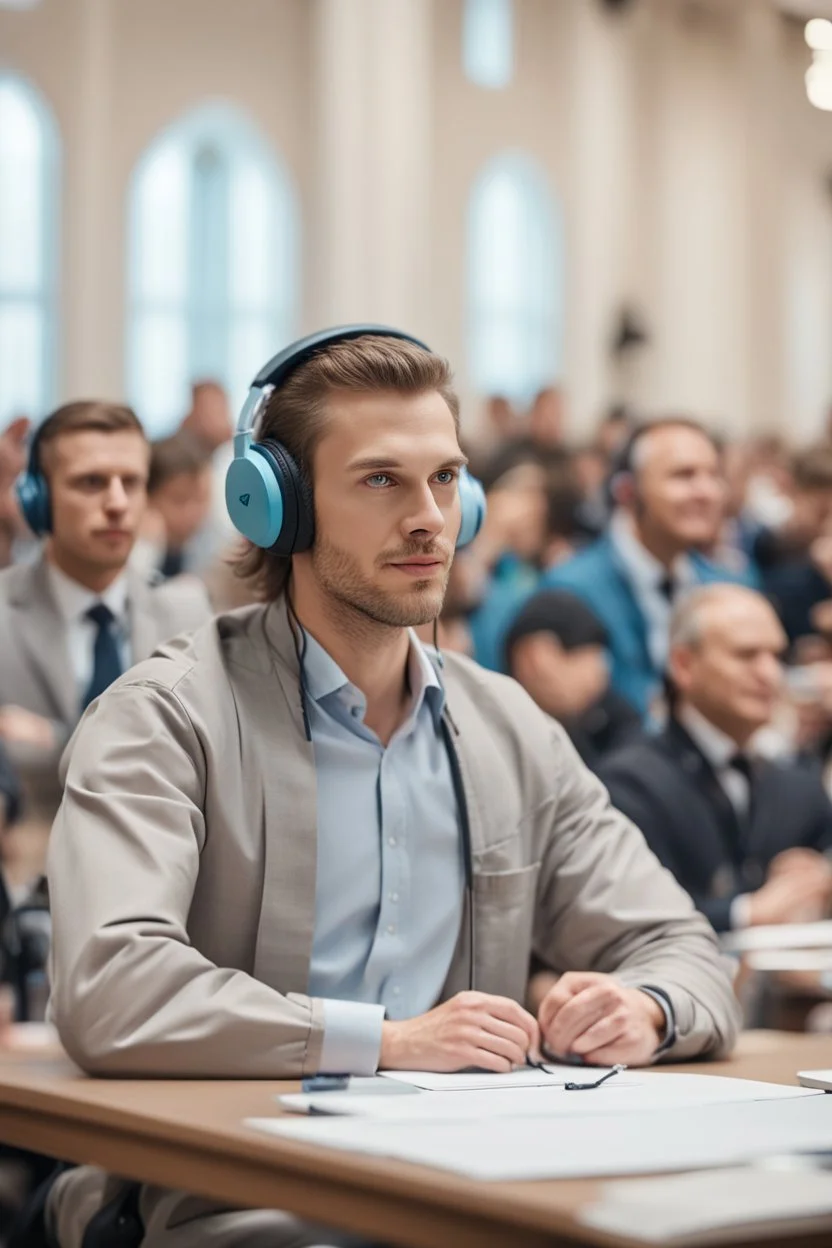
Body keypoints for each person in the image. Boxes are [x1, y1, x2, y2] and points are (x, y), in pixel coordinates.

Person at [46, 329, 739, 1248]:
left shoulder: (508, 727)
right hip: (236, 1197)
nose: (429, 520)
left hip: (471, 1189)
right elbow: (109, 987)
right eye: (382, 481)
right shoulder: (164, 717)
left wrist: (644, 1006)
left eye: (447, 480)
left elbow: (680, 946)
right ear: (277, 508)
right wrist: (385, 1040)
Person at [0, 402, 213, 837]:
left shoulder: (189, 613)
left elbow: (203, 766)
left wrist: (55, 742)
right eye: (91, 482)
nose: (117, 503)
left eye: (131, 483)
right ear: (37, 500)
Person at [597, 584, 832, 934]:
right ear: (684, 664)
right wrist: (745, 913)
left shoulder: (798, 786)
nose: (769, 674)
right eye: (746, 655)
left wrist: (819, 882)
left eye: (777, 656)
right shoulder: (627, 783)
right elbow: (623, 917)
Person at [542, 419, 752, 719]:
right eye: (684, 475)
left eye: (714, 475)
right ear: (627, 492)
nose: (706, 491)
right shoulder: (569, 591)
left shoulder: (726, 589)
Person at [504, 589, 641, 770]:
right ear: (532, 658)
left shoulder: (610, 718)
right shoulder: (503, 736)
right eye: (579, 655)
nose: (598, 673)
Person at [143, 432, 213, 579]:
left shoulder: (209, 548)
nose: (192, 513)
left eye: (201, 499)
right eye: (179, 500)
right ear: (147, 497)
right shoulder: (135, 557)